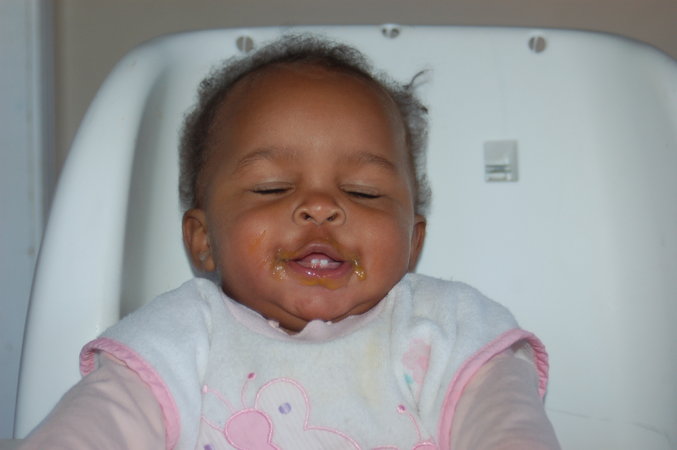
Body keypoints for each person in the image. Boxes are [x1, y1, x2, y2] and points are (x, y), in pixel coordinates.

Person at [19, 34, 560, 449]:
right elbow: (95, 427)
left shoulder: (447, 329)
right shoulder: (181, 336)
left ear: (413, 239)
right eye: (272, 188)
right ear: (203, 240)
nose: (321, 205)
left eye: (363, 192)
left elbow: (506, 426)